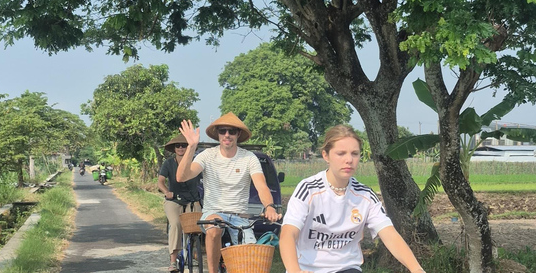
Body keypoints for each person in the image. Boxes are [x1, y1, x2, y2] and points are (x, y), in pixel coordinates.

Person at [279, 125, 426, 273]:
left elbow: (389, 234)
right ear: (325, 155)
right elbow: (288, 234)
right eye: (341, 153)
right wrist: (294, 270)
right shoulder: (308, 189)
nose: (349, 160)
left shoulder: (365, 195)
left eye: (355, 153)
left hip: (347, 268)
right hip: (307, 269)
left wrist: (416, 269)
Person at [177, 113, 282, 273]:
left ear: (238, 134)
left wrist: (269, 207)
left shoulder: (249, 158)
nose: (227, 135)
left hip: (241, 217)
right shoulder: (207, 155)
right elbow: (182, 176)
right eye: (223, 131)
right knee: (214, 227)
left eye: (231, 131)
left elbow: (261, 186)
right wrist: (191, 147)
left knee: (250, 262)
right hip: (214, 212)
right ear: (218, 134)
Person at [158, 133, 203, 272]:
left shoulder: (196, 163)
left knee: (199, 226)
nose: (181, 148)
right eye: (178, 146)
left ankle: (195, 249)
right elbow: (160, 182)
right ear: (174, 148)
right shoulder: (169, 163)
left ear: (189, 148)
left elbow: (206, 179)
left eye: (184, 145)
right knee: (176, 224)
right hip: (174, 200)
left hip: (192, 200)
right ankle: (173, 261)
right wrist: (166, 192)